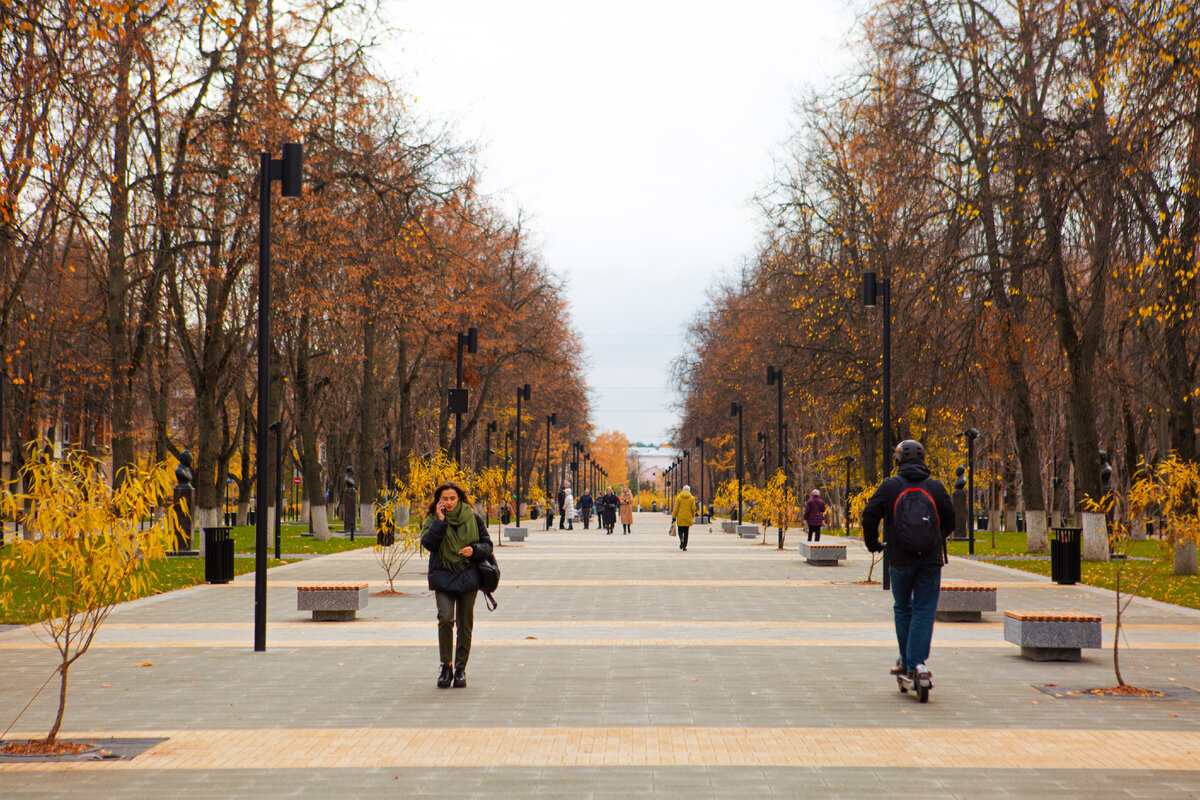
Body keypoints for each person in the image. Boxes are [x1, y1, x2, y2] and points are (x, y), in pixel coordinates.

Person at [861, 440, 955, 691]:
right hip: (930, 560)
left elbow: (869, 514)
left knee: (903, 608)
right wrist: (935, 537)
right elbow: (951, 518)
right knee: (924, 610)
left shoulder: (890, 486)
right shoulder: (935, 487)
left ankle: (909, 662)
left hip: (899, 559)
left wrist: (873, 543)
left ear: (898, 461)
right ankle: (917, 663)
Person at [420, 481, 494, 689]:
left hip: (467, 576)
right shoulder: (433, 519)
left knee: (465, 623)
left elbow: (487, 545)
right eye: (445, 499)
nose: (449, 502)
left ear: (459, 498)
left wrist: (474, 549)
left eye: (453, 498)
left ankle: (460, 668)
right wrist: (441, 522)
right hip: (442, 575)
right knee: (445, 619)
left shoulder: (473, 518)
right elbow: (428, 544)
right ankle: (446, 666)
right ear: (439, 501)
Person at [672, 484, 696, 551]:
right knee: (686, 532)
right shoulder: (692, 498)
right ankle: (685, 546)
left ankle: (681, 540)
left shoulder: (679, 498)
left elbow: (676, 508)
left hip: (680, 517)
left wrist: (674, 517)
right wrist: (693, 515)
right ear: (689, 491)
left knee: (680, 530)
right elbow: (693, 508)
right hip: (688, 517)